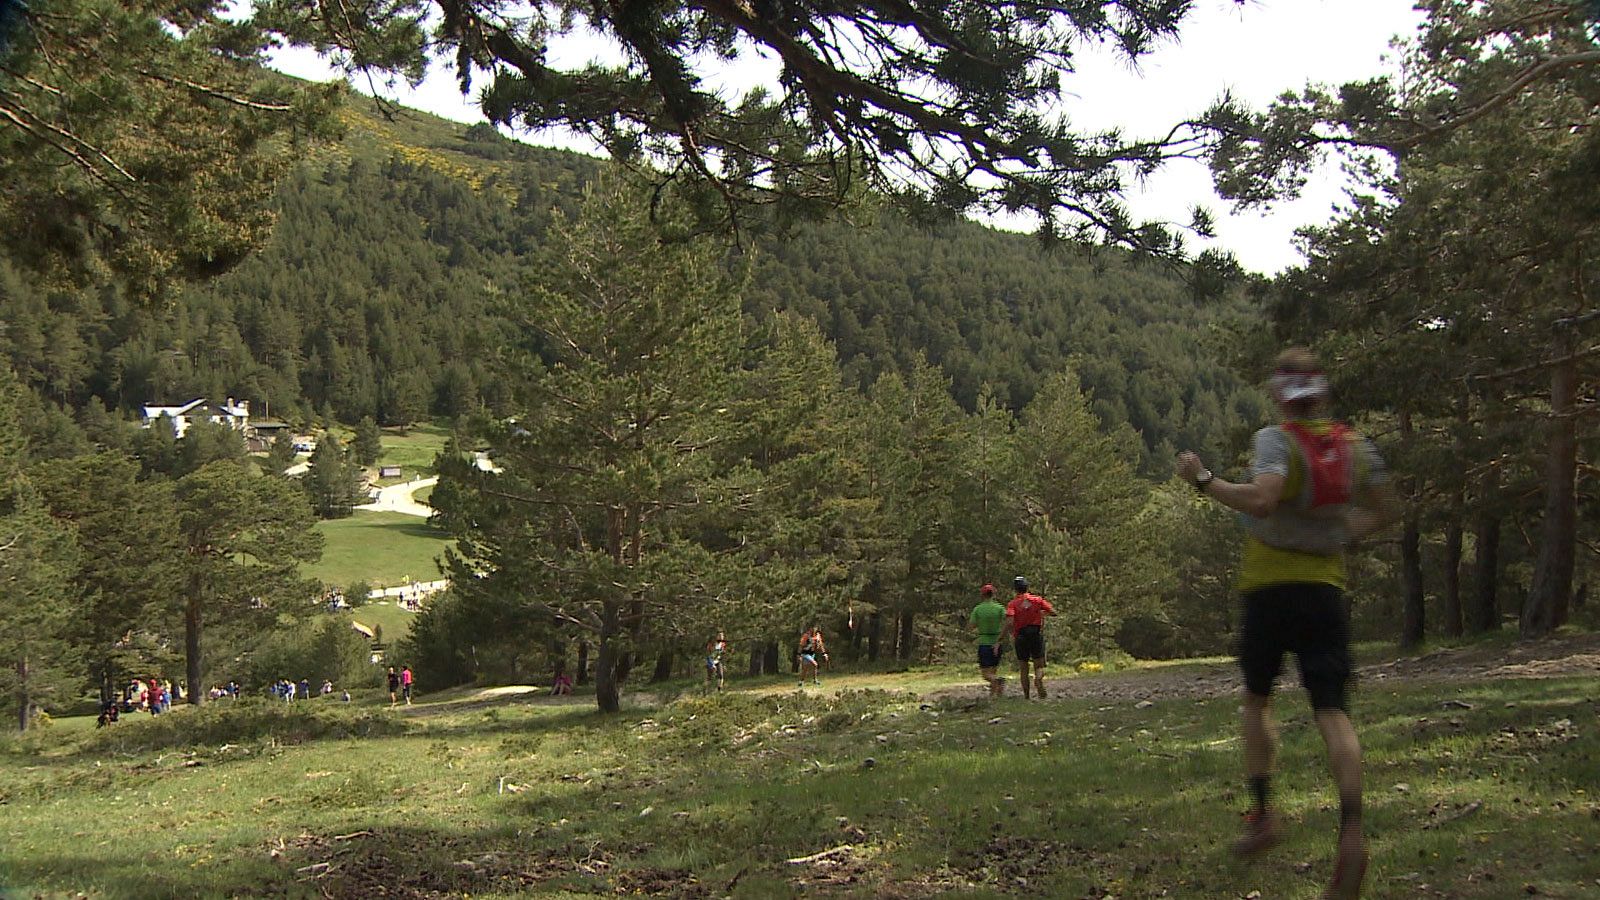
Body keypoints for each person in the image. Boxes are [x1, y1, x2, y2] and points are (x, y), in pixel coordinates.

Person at [1176, 346, 1401, 900]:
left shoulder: (1276, 440)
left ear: (1281, 395)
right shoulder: (1355, 447)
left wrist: (1203, 479)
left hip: (1269, 588)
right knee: (1332, 710)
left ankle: (1264, 815)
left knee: (1258, 700)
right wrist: (1346, 530)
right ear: (1322, 393)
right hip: (1325, 589)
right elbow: (1390, 507)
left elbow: (1261, 501)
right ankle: (1351, 829)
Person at [998, 576, 1054, 699]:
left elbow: (1009, 622)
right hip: (1035, 633)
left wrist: (1001, 637)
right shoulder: (1037, 600)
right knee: (1038, 664)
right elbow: (1052, 611)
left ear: (1015, 589)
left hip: (1021, 636)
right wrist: (1040, 614)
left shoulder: (1013, 604)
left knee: (1024, 667)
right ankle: (1038, 681)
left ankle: (1027, 696)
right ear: (1027, 587)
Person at [967, 583, 1007, 697]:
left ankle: (998, 682)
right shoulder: (999, 608)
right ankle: (995, 694)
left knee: (986, 674)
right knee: (993, 670)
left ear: (982, 595)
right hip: (997, 642)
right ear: (993, 594)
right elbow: (1008, 621)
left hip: (984, 641)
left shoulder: (978, 609)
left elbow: (971, 625)